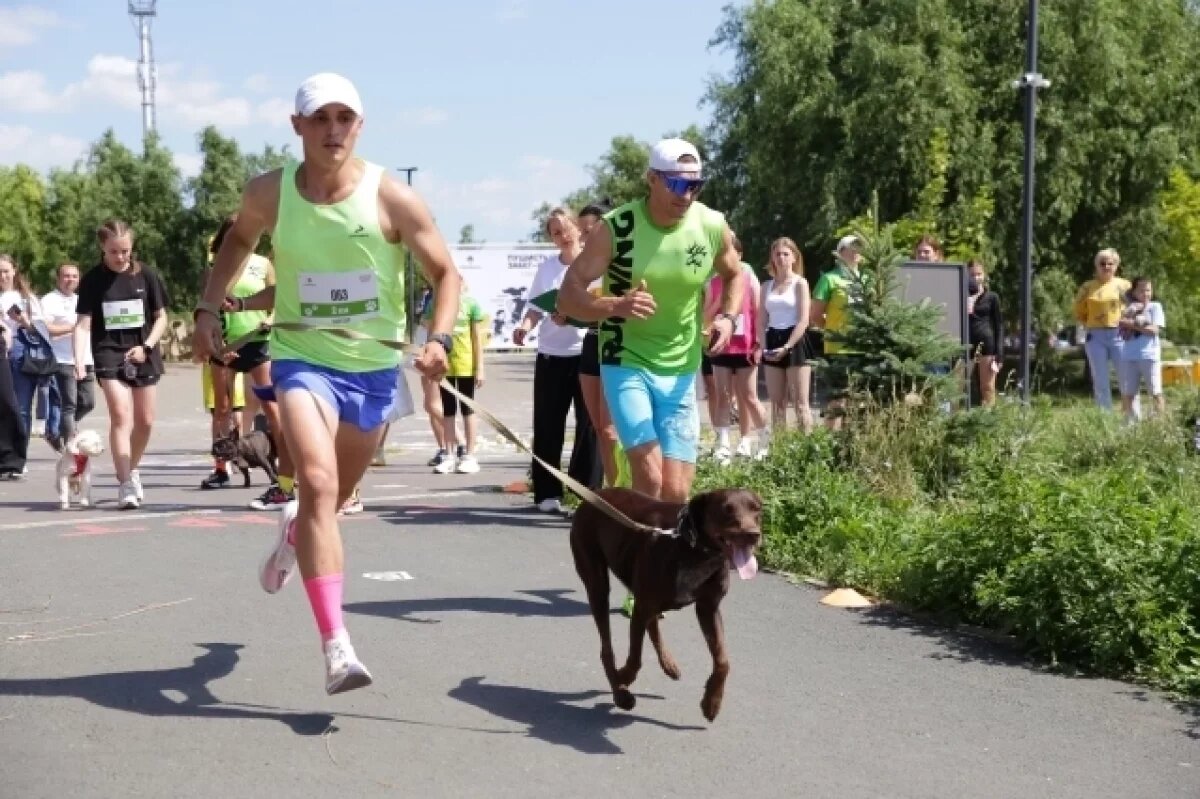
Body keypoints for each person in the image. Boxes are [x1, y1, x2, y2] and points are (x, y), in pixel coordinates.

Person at [192, 72, 461, 695]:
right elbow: (237, 240)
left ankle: (294, 530)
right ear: (298, 127)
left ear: (359, 126)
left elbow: (446, 275)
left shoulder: (392, 197)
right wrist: (209, 309)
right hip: (300, 358)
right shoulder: (270, 192)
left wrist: (439, 341)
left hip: (371, 370)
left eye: (345, 118)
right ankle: (336, 646)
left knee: (329, 500)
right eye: (320, 119)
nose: (333, 129)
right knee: (314, 481)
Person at [557, 137, 742, 503]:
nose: (686, 194)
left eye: (695, 185)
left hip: (680, 367)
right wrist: (614, 306)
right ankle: (638, 554)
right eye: (676, 183)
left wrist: (727, 318)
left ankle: (650, 554)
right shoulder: (617, 227)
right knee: (651, 477)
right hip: (626, 361)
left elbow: (733, 274)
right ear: (652, 179)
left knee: (676, 492)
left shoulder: (711, 224)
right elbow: (568, 295)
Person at [74, 220, 171, 510]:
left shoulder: (147, 276)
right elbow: (83, 325)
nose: (120, 257)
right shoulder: (92, 280)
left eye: (125, 251)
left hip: (143, 350)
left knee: (146, 421)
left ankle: (133, 466)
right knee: (120, 415)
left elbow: (161, 317)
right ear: (103, 248)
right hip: (108, 352)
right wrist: (80, 362)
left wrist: (148, 346)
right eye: (114, 251)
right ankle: (125, 482)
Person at [511, 208, 600, 511]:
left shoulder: (593, 266)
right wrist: (525, 326)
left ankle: (587, 492)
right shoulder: (547, 268)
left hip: (584, 353)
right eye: (555, 232)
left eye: (566, 229)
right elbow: (536, 307)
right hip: (551, 353)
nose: (562, 236)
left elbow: (601, 307)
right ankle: (548, 492)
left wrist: (574, 317)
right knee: (548, 425)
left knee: (589, 426)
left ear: (578, 229)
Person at [704, 234, 767, 461]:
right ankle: (723, 444)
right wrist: (720, 300)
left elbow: (759, 313)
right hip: (722, 345)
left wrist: (760, 342)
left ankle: (762, 442)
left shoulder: (750, 278)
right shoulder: (713, 282)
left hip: (746, 345)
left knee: (749, 395)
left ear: (740, 255)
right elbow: (707, 316)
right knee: (722, 395)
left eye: (733, 254)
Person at [574, 201, 621, 488]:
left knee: (614, 430)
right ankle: (611, 491)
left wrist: (593, 304)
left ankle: (624, 491)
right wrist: (567, 313)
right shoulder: (585, 266)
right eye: (581, 232)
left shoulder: (622, 263)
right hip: (591, 342)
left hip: (617, 344)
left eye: (587, 231)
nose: (582, 238)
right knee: (600, 428)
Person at [758, 237, 813, 432]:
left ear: (794, 258)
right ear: (772, 258)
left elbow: (803, 320)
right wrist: (764, 346)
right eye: (777, 254)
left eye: (785, 254)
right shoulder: (766, 286)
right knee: (777, 403)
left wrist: (787, 346)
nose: (781, 258)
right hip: (773, 338)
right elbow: (762, 320)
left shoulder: (800, 283)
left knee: (800, 403)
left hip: (795, 341)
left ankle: (807, 447)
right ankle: (780, 450)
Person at [811, 235, 865, 430]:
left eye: (859, 247)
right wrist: (833, 330)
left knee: (859, 402)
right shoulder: (829, 279)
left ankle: (853, 445)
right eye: (851, 248)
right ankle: (830, 443)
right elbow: (815, 314)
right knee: (837, 401)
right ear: (840, 253)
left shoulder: (867, 280)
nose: (856, 251)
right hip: (837, 349)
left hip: (863, 349)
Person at [1, 254, 51, 460]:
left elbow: (41, 330)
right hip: (1, 349)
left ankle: (19, 454)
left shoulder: (26, 298)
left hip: (21, 352)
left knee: (20, 407)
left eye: (5, 271)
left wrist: (24, 320)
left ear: (14, 271)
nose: (2, 276)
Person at [434, 284, 486, 475]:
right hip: (444, 366)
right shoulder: (438, 303)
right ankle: (448, 455)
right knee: (448, 410)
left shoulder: (471, 304)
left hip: (466, 364)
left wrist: (480, 367)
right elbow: (429, 327)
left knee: (467, 409)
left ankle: (470, 455)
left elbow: (476, 338)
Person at [1073, 248, 1130, 410]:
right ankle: (1104, 417)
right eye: (1102, 263)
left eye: (1110, 263)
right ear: (1096, 266)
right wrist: (1088, 323)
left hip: (1120, 333)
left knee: (1126, 377)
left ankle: (1132, 416)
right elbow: (1078, 310)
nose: (1106, 267)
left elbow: (1134, 306)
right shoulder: (1087, 287)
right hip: (1095, 336)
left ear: (1116, 265)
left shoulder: (1124, 285)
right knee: (1100, 379)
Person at [1118, 276, 1166, 421]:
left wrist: (1132, 325)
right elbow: (1121, 327)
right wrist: (1129, 320)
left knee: (1155, 391)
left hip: (1149, 355)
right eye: (1141, 290)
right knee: (1128, 392)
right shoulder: (1128, 309)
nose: (1145, 294)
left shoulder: (1155, 307)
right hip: (1129, 356)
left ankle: (1161, 422)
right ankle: (1128, 423)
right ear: (1134, 292)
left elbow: (1154, 330)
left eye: (1148, 290)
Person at [966, 260, 1003, 406]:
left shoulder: (992, 297)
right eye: (972, 274)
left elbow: (999, 324)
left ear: (984, 275)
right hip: (965, 344)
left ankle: (988, 421)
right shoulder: (962, 295)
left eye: (979, 274)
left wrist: (999, 352)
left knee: (987, 387)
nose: (975, 278)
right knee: (957, 387)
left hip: (987, 345)